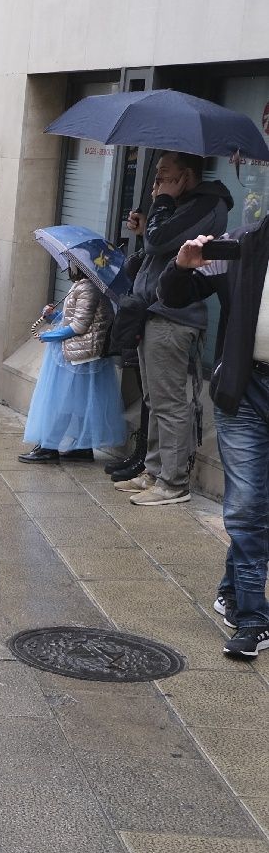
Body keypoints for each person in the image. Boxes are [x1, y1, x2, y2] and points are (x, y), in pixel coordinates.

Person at [163, 220, 269, 658]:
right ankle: (253, 618)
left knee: (256, 506)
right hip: (246, 391)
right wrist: (182, 266)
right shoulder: (243, 247)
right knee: (247, 506)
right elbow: (174, 295)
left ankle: (231, 588)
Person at [116, 153, 232, 506]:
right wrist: (147, 221)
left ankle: (173, 481)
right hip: (152, 311)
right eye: (156, 178)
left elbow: (159, 241)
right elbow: (155, 245)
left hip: (174, 316)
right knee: (154, 399)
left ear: (187, 176)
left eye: (165, 176)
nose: (157, 184)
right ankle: (154, 470)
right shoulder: (180, 206)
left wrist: (161, 206)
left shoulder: (207, 204)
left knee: (169, 403)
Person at [20, 266, 124, 464]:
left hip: (78, 356)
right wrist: (53, 317)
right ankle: (82, 448)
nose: (68, 267)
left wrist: (50, 335)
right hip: (80, 353)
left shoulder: (88, 288)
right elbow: (75, 318)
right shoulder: (84, 286)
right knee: (79, 401)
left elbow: (79, 326)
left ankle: (48, 447)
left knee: (63, 401)